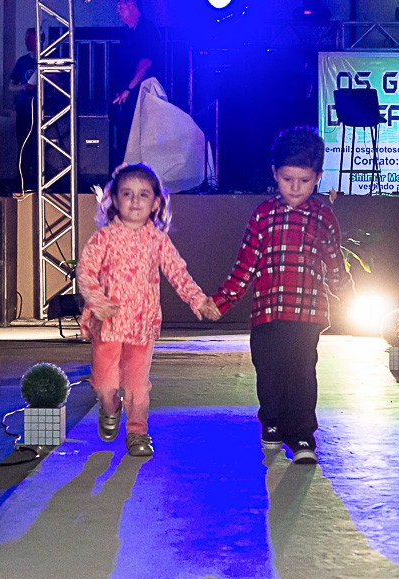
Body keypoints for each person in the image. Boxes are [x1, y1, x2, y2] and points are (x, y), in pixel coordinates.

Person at [209, 127, 355, 465]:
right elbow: (245, 265)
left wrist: (348, 296)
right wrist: (220, 302)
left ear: (318, 177)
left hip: (307, 314)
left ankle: (302, 433)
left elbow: (334, 262)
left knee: (302, 372)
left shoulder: (322, 216)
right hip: (267, 313)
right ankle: (272, 422)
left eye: (304, 181)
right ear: (275, 173)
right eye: (288, 179)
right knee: (268, 370)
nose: (295, 188)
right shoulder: (263, 215)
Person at [76, 163, 220, 457]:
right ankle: (110, 408)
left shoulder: (158, 240)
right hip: (109, 324)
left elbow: (178, 273)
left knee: (137, 386)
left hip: (142, 326)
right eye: (127, 194)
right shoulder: (104, 238)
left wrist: (198, 300)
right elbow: (85, 271)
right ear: (115, 200)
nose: (135, 201)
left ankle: (137, 432)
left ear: (155, 203)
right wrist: (98, 301)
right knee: (105, 384)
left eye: (143, 195)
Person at [110, 0, 161, 170]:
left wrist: (129, 88)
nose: (118, 10)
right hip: (129, 90)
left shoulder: (146, 29)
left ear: (132, 6)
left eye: (121, 6)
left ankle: (141, 172)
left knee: (140, 131)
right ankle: (127, 169)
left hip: (142, 89)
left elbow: (145, 62)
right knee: (125, 130)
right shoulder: (128, 32)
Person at [8, 27, 38, 192]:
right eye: (26, 39)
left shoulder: (44, 60)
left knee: (37, 145)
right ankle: (22, 180)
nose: (26, 42)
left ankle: (37, 179)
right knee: (23, 144)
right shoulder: (22, 61)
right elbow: (10, 86)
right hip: (24, 110)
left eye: (30, 39)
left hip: (41, 110)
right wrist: (24, 87)